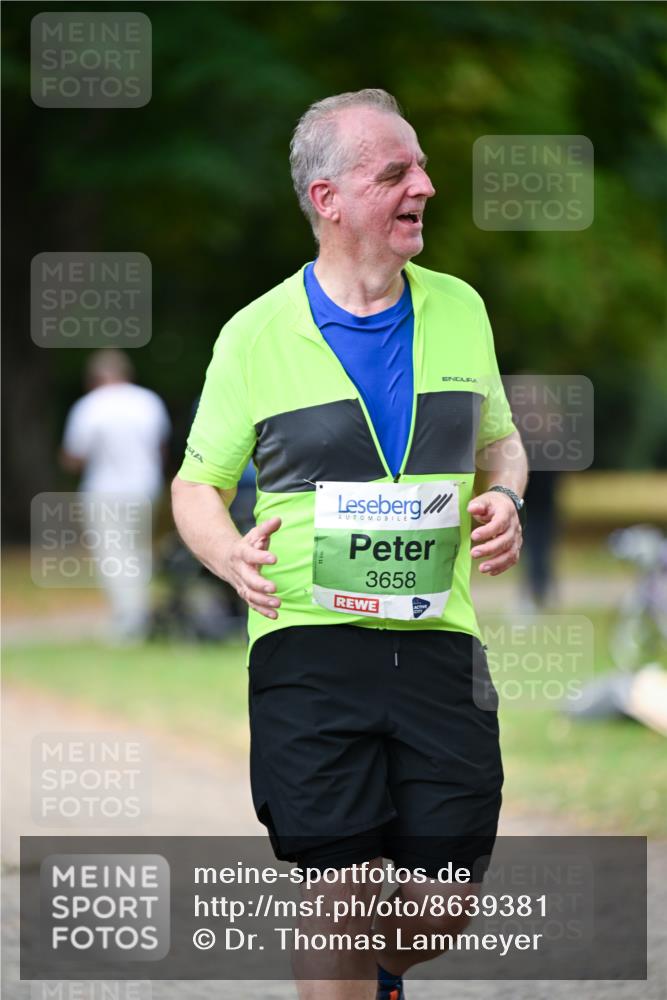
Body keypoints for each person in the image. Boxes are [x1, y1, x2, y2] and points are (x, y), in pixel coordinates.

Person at [172, 90, 528, 1000]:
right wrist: (227, 555)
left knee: (444, 898)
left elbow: (499, 440)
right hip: (305, 642)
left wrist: (507, 497)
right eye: (396, 172)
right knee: (336, 882)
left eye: (421, 168)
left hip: (439, 640)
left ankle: (370, 970)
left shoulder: (461, 308)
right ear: (328, 199)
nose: (427, 186)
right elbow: (196, 486)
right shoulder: (253, 334)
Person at [61, 348, 171, 641]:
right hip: (146, 488)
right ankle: (140, 611)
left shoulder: (90, 406)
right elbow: (161, 447)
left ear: (96, 377)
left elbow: (74, 455)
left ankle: (128, 619)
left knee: (113, 553)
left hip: (105, 490)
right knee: (140, 551)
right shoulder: (148, 402)